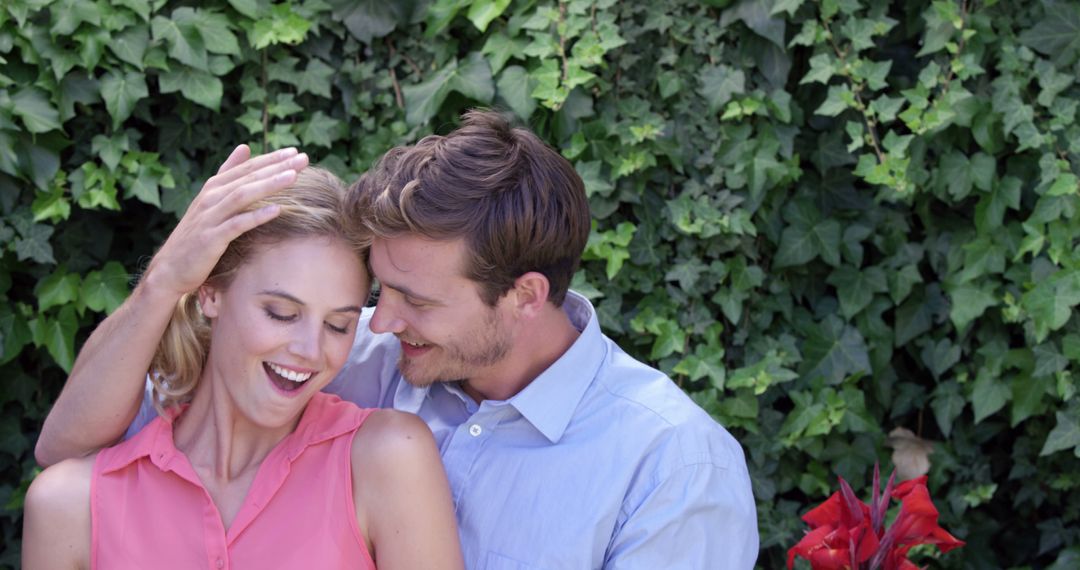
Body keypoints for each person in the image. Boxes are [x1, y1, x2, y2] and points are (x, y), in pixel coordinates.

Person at [36, 111, 759, 568]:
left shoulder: (672, 466)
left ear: (523, 297)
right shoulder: (339, 360)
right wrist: (167, 279)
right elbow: (75, 456)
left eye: (412, 299)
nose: (376, 325)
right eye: (373, 296)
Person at [23, 166, 464, 570]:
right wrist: (165, 280)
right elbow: (58, 446)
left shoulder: (386, 458)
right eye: (281, 313)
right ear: (210, 294)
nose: (310, 351)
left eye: (338, 324)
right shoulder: (70, 505)